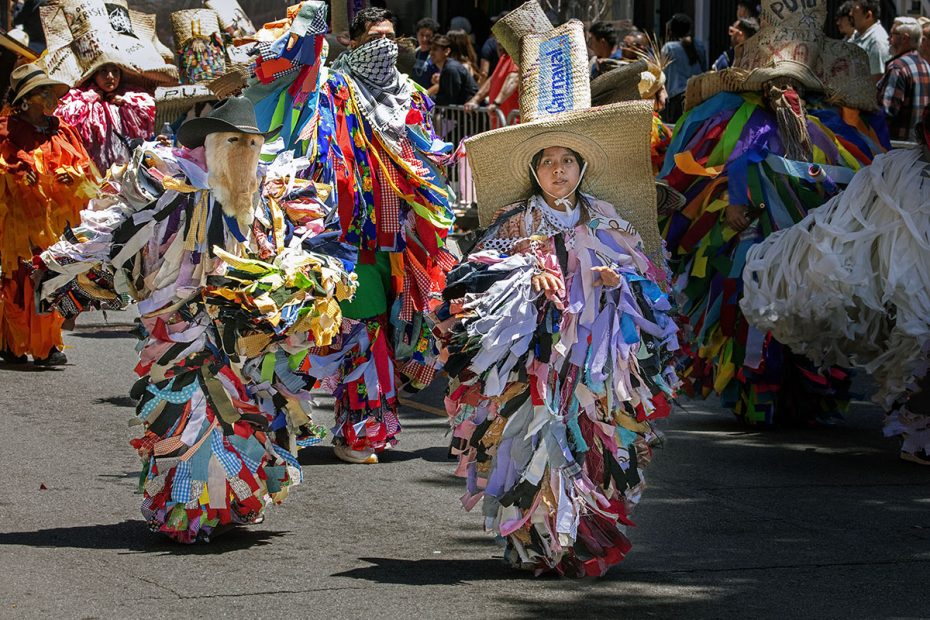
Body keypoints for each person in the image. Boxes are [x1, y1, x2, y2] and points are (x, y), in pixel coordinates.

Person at [37, 96, 357, 542]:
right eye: (233, 141)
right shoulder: (168, 188)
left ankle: (237, 500)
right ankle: (187, 507)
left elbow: (283, 248)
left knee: (246, 412)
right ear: (207, 144)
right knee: (189, 412)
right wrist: (67, 272)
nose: (245, 150)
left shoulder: (263, 192)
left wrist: (301, 283)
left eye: (253, 142)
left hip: (242, 330)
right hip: (178, 326)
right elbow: (111, 234)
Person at [438, 2, 678, 578]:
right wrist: (528, 272)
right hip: (533, 362)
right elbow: (476, 279)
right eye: (549, 162)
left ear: (581, 167)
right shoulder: (516, 220)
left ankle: (585, 533)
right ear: (536, 170)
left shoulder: (604, 215)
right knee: (531, 442)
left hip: (596, 362)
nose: (560, 172)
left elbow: (648, 276)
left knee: (590, 440)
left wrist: (619, 282)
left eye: (569, 161)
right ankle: (535, 539)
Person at [660, 0, 889, 427]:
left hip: (808, 244)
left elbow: (846, 181)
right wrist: (732, 205)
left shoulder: (823, 129)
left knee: (808, 311)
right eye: (777, 82)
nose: (786, 91)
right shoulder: (729, 121)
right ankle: (756, 396)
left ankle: (807, 398)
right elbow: (705, 171)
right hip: (748, 242)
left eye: (794, 84)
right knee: (749, 312)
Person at [251, 5, 459, 464]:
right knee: (362, 330)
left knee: (399, 324)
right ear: (352, 43)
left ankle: (375, 420)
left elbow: (425, 161)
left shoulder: (412, 95)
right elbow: (313, 151)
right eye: (372, 39)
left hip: (405, 238)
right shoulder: (332, 91)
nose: (383, 47)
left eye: (390, 38)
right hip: (353, 235)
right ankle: (361, 430)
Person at [741, 107, 930, 465]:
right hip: (913, 276)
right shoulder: (899, 176)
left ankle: (916, 426)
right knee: (921, 339)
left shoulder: (897, 174)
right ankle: (916, 432)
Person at [0, 63, 97, 366]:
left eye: (49, 90)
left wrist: (75, 177)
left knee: (53, 277)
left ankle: (49, 343)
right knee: (19, 279)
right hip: (20, 221)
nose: (50, 97)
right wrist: (14, 176)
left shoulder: (61, 129)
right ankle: (14, 344)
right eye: (41, 92)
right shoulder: (6, 131)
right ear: (26, 100)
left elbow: (87, 171)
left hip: (57, 220)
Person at [55, 62, 156, 173]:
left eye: (115, 71)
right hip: (92, 169)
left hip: (124, 168)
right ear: (94, 75)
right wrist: (89, 98)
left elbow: (147, 114)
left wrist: (124, 100)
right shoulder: (78, 96)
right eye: (103, 71)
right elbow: (63, 117)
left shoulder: (131, 96)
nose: (110, 76)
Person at [877, 17, 930, 141]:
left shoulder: (898, 68)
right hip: (920, 146)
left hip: (898, 146)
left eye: (892, 35)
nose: (888, 39)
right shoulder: (926, 65)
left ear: (905, 38)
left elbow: (886, 111)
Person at [661, 13, 707, 123]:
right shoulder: (699, 45)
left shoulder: (669, 48)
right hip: (698, 96)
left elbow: (662, 75)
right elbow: (704, 68)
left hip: (677, 100)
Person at [463, 39, 518, 124]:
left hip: (513, 125)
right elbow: (492, 80)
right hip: (500, 124)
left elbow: (513, 79)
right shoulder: (504, 58)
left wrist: (496, 103)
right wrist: (475, 99)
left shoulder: (515, 58)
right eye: (498, 44)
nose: (500, 47)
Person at [430, 34, 479, 106]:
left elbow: (450, 99)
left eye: (435, 49)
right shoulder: (447, 67)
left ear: (447, 51)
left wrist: (429, 99)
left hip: (468, 114)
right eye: (430, 49)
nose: (431, 53)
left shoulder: (451, 68)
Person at [851, 0, 891, 79]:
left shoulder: (877, 42)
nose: (851, 14)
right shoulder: (857, 35)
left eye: (855, 11)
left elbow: (877, 82)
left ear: (868, 16)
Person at [412, 17, 439, 89]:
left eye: (428, 36)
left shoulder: (437, 56)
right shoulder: (414, 53)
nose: (424, 39)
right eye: (421, 35)